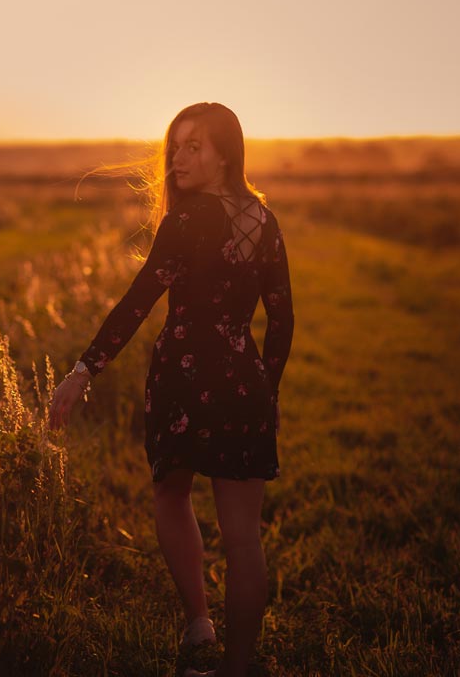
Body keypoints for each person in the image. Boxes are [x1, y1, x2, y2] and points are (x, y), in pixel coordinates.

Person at [47, 102, 294, 677]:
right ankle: (237, 666)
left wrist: (85, 370)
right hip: (243, 382)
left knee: (171, 495)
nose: (178, 159)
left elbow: (138, 302)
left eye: (194, 147)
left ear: (225, 153)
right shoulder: (265, 221)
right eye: (176, 146)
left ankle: (199, 624)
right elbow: (280, 322)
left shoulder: (185, 221)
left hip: (183, 378)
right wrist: (269, 390)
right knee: (244, 538)